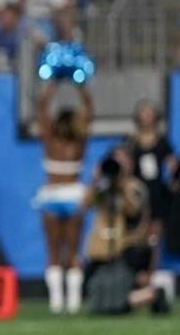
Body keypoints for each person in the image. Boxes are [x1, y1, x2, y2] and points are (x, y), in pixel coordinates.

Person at [83, 150, 170, 315]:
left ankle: (148, 295)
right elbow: (85, 205)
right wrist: (95, 180)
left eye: (123, 162)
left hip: (126, 251)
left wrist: (121, 186)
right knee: (96, 300)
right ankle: (145, 296)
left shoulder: (135, 186)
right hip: (100, 253)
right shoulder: (103, 187)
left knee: (108, 305)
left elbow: (133, 211)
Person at [34, 80, 93, 314]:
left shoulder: (51, 141)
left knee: (55, 250)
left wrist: (53, 84)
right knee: (72, 249)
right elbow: (88, 112)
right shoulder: (79, 143)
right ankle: (71, 300)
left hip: (56, 195)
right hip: (71, 196)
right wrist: (79, 86)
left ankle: (59, 300)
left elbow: (42, 110)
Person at [124, 100, 176, 253]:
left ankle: (152, 268)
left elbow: (171, 163)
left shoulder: (162, 142)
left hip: (156, 190)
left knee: (155, 231)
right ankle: (138, 264)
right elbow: (126, 165)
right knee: (138, 229)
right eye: (143, 113)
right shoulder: (131, 142)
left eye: (149, 114)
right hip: (137, 191)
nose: (147, 117)